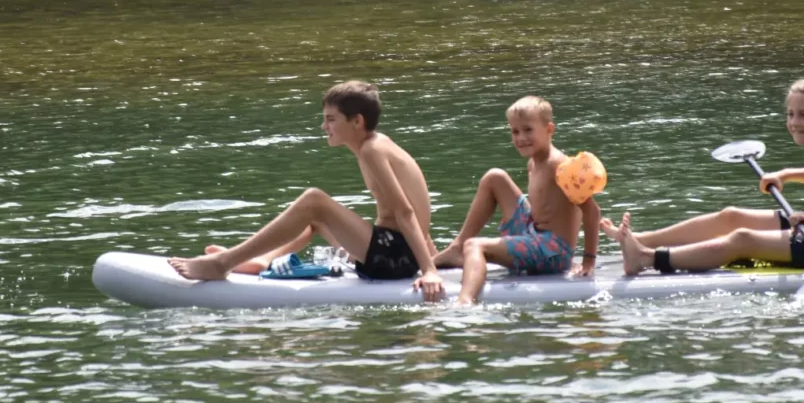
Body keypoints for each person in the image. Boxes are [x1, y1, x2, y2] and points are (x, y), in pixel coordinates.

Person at [167, 81, 446, 302]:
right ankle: (261, 261)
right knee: (316, 218)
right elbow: (412, 214)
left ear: (357, 121)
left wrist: (430, 270)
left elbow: (405, 211)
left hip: (394, 258)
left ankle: (222, 264)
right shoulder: (375, 146)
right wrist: (432, 258)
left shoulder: (373, 150)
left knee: (314, 201)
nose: (324, 126)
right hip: (396, 253)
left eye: (331, 119)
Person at [600, 78, 804, 275]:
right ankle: (640, 239)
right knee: (730, 216)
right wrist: (787, 174)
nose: (795, 123)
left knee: (742, 238)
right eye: (791, 113)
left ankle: (647, 258)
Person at [434, 95, 601, 305]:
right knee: (494, 177)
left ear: (549, 129)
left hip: (553, 251)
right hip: (534, 232)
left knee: (475, 246)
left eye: (528, 130)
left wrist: (588, 261)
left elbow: (592, 211)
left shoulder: (561, 166)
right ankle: (456, 249)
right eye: (515, 131)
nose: (521, 138)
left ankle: (465, 301)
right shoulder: (533, 163)